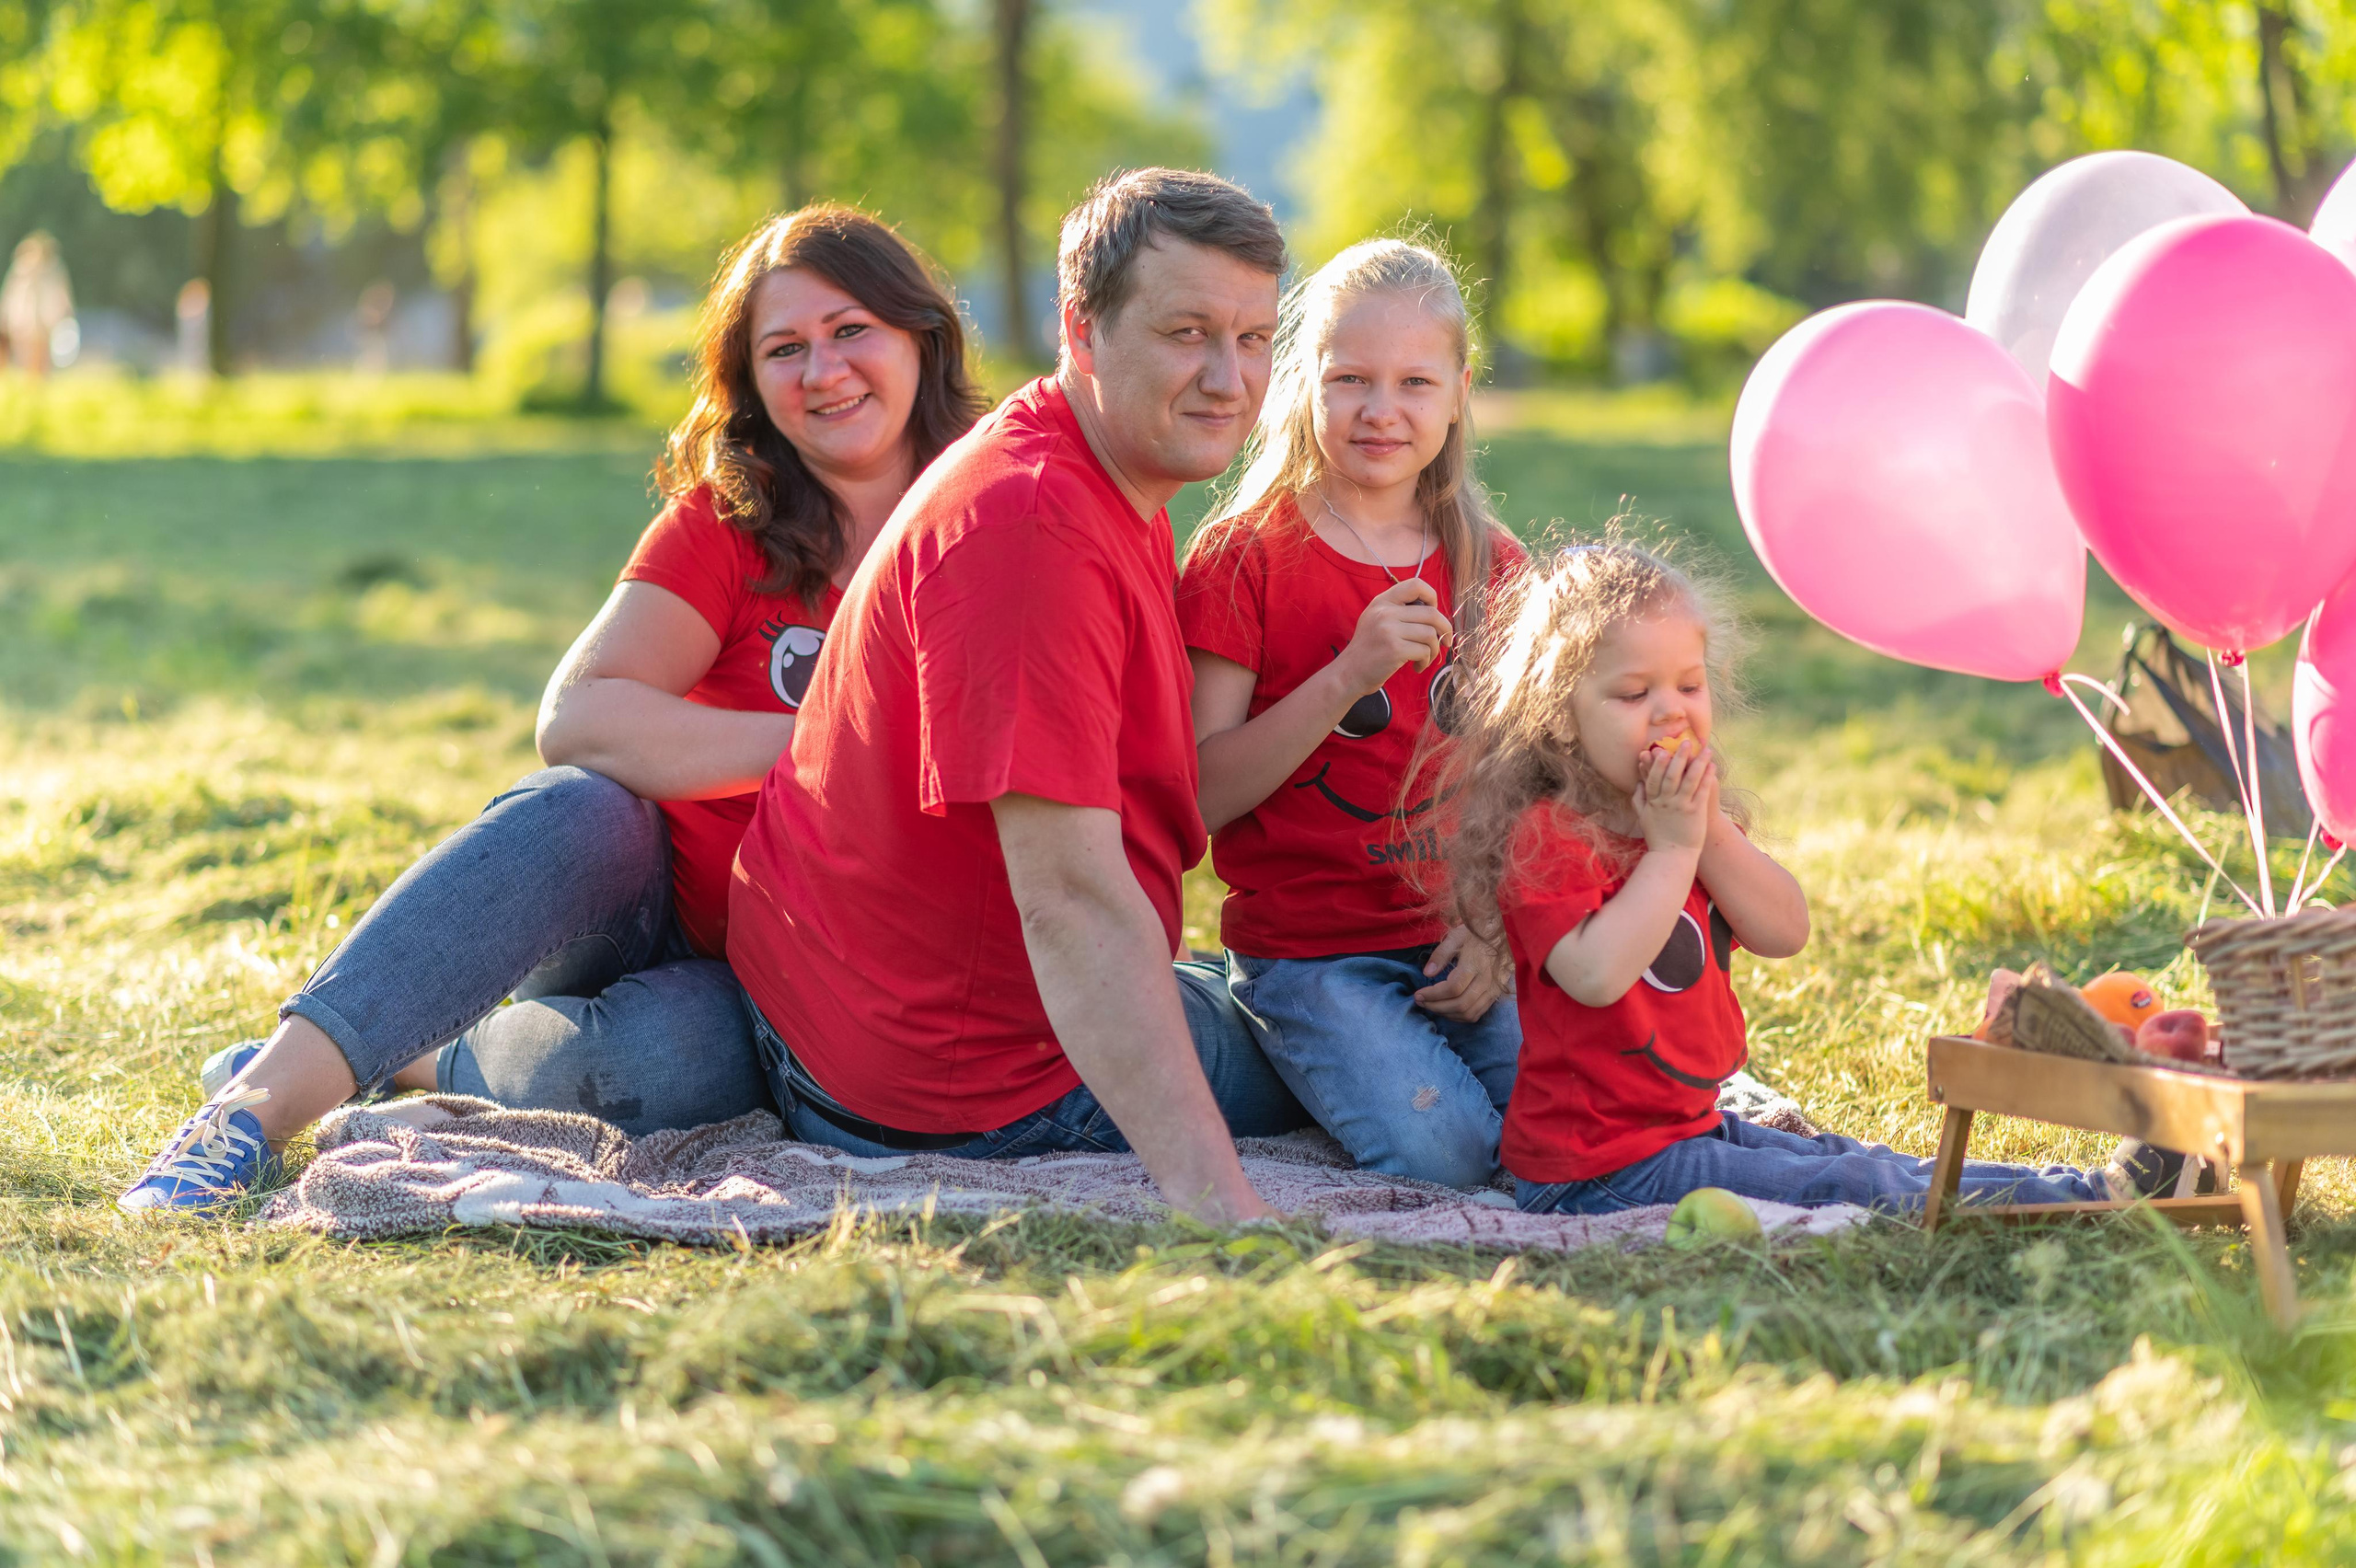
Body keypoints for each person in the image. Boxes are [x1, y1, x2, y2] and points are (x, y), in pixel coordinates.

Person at [119, 205, 986, 1211]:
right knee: (581, 804)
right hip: (659, 904)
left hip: (815, 985)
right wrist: (827, 741)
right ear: (751, 384)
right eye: (783, 349)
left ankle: (425, 1057)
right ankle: (251, 1114)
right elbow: (580, 715)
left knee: (667, 1070)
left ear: (919, 334)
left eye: (850, 332)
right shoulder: (729, 519)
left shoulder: (992, 519)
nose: (822, 371)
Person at [727, 167, 1305, 1224]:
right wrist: (1222, 1205)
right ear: (1081, 333)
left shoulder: (1100, 468)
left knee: (1341, 998)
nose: (1230, 379)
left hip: (866, 1011)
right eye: (1186, 334)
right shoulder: (1032, 530)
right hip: (957, 1089)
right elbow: (1072, 901)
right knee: (1368, 1055)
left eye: (1255, 339)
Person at [1435, 539, 2179, 1215]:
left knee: (1848, 1160)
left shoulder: (1687, 818)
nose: (1670, 713)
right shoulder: (1552, 835)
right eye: (1634, 696)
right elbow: (1594, 976)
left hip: (1685, 1125)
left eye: (1688, 688)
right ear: (1560, 716)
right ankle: (2097, 1198)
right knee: (1842, 1189)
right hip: (1593, 1172)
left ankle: (2061, 1186)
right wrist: (1669, 853)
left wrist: (1708, 834)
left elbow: (1785, 931)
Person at [1176, 238, 1524, 1189]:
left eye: (1415, 382)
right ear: (1303, 382)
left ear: (1458, 391)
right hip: (1312, 954)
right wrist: (1344, 678)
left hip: (1457, 943)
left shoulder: (1491, 568)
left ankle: (1340, 1067)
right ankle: (1272, 1033)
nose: (1381, 410)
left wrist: (1492, 926)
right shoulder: (1244, 558)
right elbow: (1199, 794)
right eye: (1350, 379)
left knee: (1564, 1123)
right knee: (1447, 1154)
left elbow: (1529, 778)